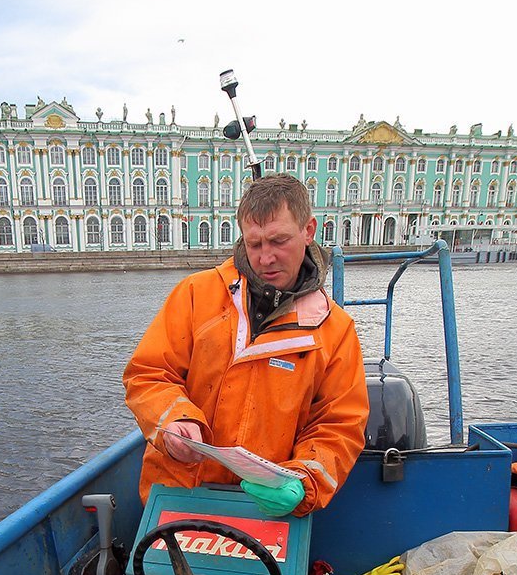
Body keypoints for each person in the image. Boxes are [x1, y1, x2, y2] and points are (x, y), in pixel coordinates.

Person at [122, 174, 369, 517]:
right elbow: (148, 374)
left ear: (308, 230)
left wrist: (304, 479)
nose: (265, 258)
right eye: (254, 244)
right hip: (177, 499)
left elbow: (339, 425)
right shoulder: (196, 294)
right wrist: (173, 420)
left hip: (265, 509)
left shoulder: (336, 330)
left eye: (278, 241)